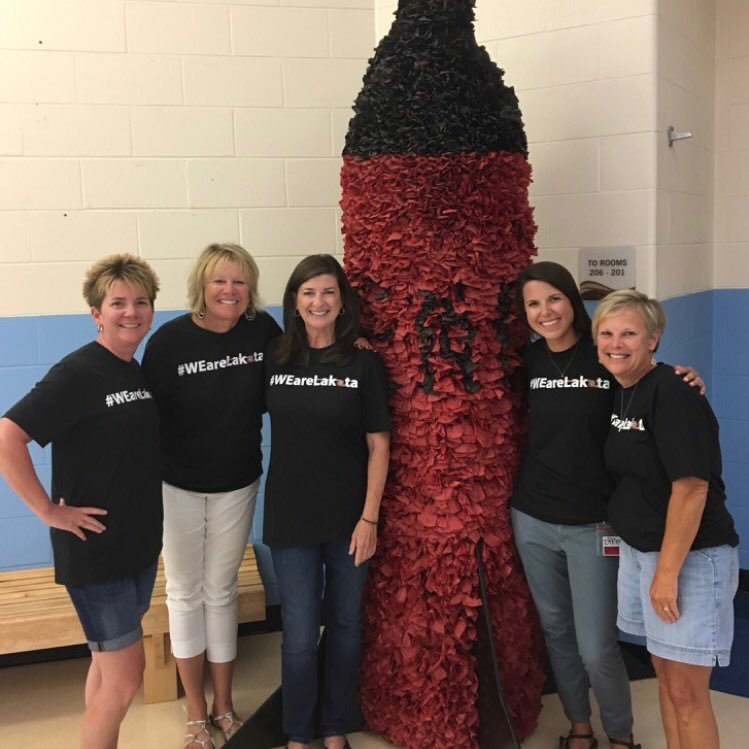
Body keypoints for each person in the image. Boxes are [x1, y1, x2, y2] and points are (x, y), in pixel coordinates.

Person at [511, 262, 703, 749]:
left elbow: (647, 380)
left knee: (597, 646)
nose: (545, 311)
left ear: (571, 301)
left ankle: (620, 735)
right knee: (555, 631)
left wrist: (684, 376)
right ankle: (579, 726)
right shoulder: (526, 362)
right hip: (532, 517)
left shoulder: (603, 356)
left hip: (595, 523)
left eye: (553, 299)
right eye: (533, 303)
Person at [0, 254, 162, 749]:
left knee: (104, 667)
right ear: (96, 313)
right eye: (117, 303)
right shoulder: (78, 372)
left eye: (140, 302)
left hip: (136, 544)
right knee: (125, 679)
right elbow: (8, 435)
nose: (130, 312)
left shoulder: (132, 370)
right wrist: (48, 511)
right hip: (96, 552)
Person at [141, 243, 281, 749]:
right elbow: (145, 417)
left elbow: (295, 377)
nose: (229, 290)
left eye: (239, 282)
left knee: (220, 591)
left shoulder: (263, 332)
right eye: (220, 281)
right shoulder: (170, 341)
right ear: (201, 284)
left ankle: (224, 706)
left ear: (250, 289)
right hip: (175, 484)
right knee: (183, 591)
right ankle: (195, 711)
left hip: (238, 482)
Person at [593, 290, 739, 749]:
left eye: (629, 333)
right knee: (665, 679)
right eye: (607, 333)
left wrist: (667, 573)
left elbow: (692, 488)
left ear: (653, 339)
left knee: (687, 693)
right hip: (644, 552)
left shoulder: (672, 394)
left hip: (688, 559)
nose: (616, 343)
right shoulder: (624, 388)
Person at [263, 254, 391, 749]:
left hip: (349, 521)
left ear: (342, 302)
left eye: (328, 292)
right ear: (294, 302)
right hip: (290, 520)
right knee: (297, 635)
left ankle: (334, 724)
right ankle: (298, 731)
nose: (319, 301)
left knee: (345, 625)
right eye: (308, 292)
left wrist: (369, 517)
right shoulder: (274, 356)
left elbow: (379, 444)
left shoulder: (363, 361)